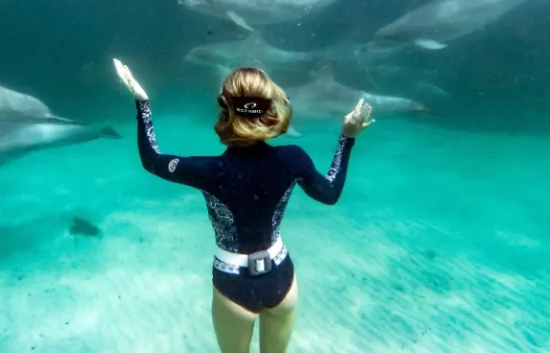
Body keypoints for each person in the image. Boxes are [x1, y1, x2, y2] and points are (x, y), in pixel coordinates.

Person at [113, 59, 374, 353]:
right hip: (281, 276)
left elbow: (151, 160)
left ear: (225, 110)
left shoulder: (206, 170)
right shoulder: (293, 158)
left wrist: (142, 103)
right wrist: (347, 138)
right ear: (270, 108)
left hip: (234, 283)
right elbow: (330, 193)